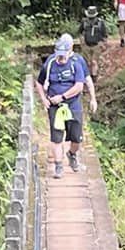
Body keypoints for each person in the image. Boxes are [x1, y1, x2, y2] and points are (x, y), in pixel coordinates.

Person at [39, 33, 97, 179]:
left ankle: (72, 153)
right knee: (56, 137)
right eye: (59, 54)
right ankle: (58, 166)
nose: (61, 58)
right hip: (54, 105)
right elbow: (39, 83)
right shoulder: (50, 63)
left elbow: (82, 84)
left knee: (76, 138)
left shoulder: (77, 62)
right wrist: (44, 100)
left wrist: (92, 98)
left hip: (72, 104)